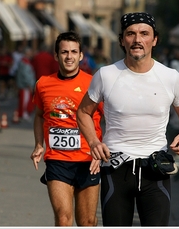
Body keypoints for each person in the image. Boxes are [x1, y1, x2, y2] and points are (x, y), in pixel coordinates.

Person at [76, 12, 179, 226]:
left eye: (144, 33)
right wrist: (94, 142)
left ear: (155, 39)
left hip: (155, 169)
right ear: (122, 40)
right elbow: (83, 112)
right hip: (115, 168)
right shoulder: (106, 75)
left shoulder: (170, 77)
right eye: (130, 34)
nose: (137, 40)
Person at [30, 31, 104, 226]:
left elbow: (111, 120)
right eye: (64, 52)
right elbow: (38, 116)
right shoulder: (43, 84)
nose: (69, 56)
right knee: (63, 218)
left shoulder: (94, 83)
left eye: (73, 52)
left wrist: (100, 150)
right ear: (56, 55)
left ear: (81, 55)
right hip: (58, 161)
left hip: (88, 161)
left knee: (87, 222)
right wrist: (39, 144)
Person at [15, 47, 36, 122]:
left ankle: (24, 113)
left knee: (25, 100)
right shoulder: (25, 62)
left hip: (24, 84)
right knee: (25, 100)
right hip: (25, 85)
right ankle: (24, 113)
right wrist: (30, 84)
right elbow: (26, 75)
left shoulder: (24, 61)